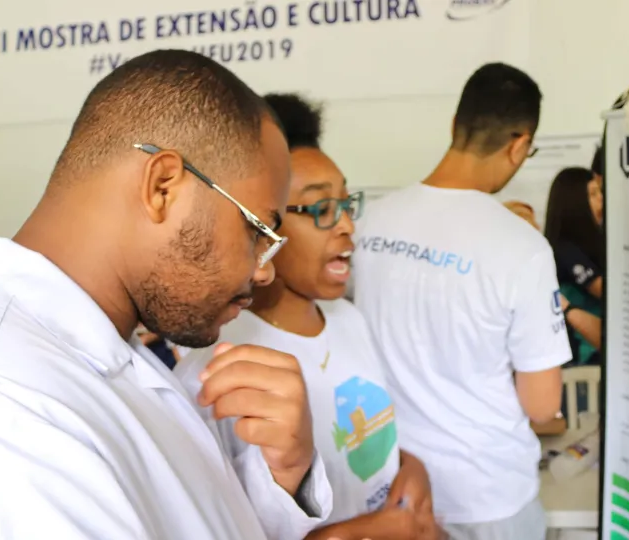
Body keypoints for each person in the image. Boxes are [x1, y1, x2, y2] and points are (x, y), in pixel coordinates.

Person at [0, 50, 333, 539]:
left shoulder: (109, 347)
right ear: (163, 186)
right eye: (257, 231)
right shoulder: (0, 399)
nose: (264, 271)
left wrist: (283, 473)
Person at [178, 93, 439, 540]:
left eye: (346, 203)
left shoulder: (348, 319)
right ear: (264, 226)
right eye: (320, 209)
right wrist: (357, 533)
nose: (346, 225)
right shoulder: (219, 370)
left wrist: (411, 469)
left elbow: (374, 440)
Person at [352, 63, 571, 540]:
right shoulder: (522, 248)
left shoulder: (371, 224)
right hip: (488, 495)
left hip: (396, 490)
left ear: (455, 125)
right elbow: (542, 405)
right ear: (519, 144)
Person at [544, 167, 604, 366]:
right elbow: (606, 293)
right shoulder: (564, 250)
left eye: (600, 192)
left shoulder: (595, 244)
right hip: (582, 358)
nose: (601, 200)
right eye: (593, 194)